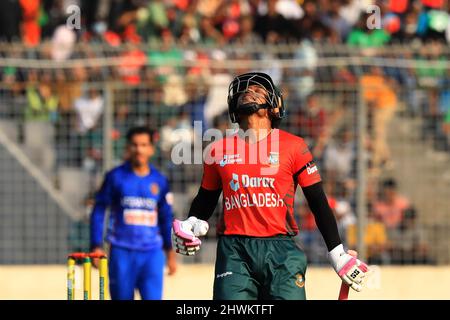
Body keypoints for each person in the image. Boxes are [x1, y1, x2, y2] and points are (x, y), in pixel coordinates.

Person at [172, 72, 369, 300]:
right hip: (234, 250)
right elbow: (205, 198)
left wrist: (337, 253)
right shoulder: (218, 149)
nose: (248, 93)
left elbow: (318, 202)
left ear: (274, 107)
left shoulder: (294, 146)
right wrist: (191, 222)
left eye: (257, 91)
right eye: (244, 91)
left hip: (282, 250)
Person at [90, 126, 176, 300]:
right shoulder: (115, 177)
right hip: (122, 252)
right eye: (135, 145)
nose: (139, 149)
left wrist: (170, 252)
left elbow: (166, 217)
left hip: (152, 253)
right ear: (127, 148)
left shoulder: (159, 181)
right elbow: (99, 210)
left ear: (151, 149)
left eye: (144, 145)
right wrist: (96, 245)